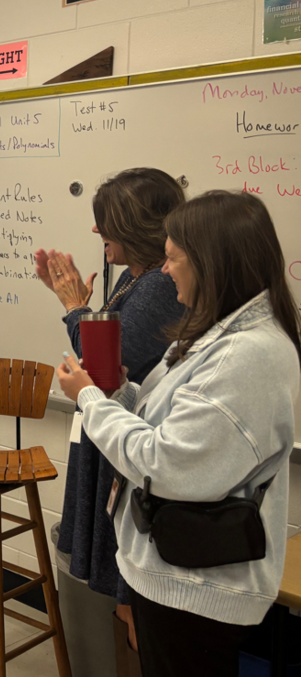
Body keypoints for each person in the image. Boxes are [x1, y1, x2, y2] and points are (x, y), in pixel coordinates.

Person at [57, 191, 300, 677]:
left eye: (173, 259)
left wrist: (89, 398)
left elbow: (162, 464)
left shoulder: (246, 355)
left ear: (212, 264)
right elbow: (164, 425)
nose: (164, 273)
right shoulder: (216, 335)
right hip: (176, 572)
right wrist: (121, 392)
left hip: (196, 586)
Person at [33, 168, 184, 654]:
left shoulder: (160, 287)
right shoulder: (130, 277)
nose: (97, 232)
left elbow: (104, 367)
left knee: (131, 602)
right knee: (122, 600)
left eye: (104, 222)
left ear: (132, 224)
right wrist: (79, 308)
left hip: (128, 440)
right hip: (110, 434)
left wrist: (76, 307)